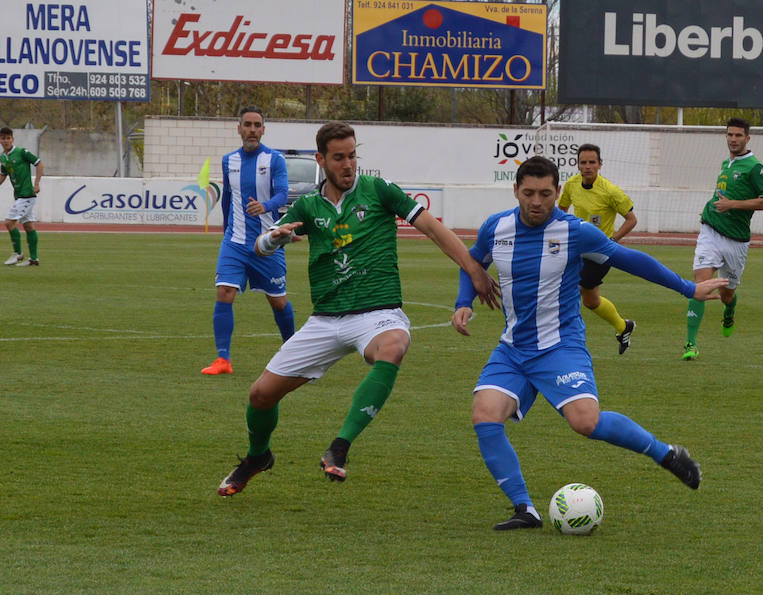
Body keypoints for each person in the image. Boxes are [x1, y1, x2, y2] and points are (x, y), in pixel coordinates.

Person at [217, 121, 499, 496]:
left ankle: (340, 446)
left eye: (352, 156)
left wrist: (474, 269)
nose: (348, 164)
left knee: (395, 344)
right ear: (321, 160)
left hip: (376, 313)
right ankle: (257, 457)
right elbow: (261, 248)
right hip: (325, 319)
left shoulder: (378, 191)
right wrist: (273, 238)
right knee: (260, 395)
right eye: (338, 158)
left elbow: (433, 228)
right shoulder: (307, 204)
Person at [451, 156, 727, 530]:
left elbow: (630, 259)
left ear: (557, 192)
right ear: (515, 190)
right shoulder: (495, 227)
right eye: (528, 193)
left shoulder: (575, 231)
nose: (537, 201)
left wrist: (689, 288)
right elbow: (472, 263)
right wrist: (463, 302)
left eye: (546, 194)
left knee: (585, 422)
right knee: (485, 415)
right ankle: (525, 509)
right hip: (513, 348)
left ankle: (666, 454)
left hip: (560, 346)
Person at [201, 106, 294, 375]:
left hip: (268, 242)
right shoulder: (228, 160)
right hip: (235, 242)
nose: (252, 129)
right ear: (239, 128)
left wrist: (264, 207)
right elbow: (227, 199)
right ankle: (223, 360)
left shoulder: (274, 159)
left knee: (277, 302)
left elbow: (283, 194)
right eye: (247, 124)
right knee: (224, 292)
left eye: (257, 125)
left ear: (263, 129)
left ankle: (295, 355)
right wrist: (225, 232)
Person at [682, 117, 763, 361]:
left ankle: (729, 309)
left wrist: (733, 205)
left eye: (738, 135)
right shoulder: (726, 163)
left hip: (736, 241)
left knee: (727, 294)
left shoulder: (754, 167)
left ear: (747, 138)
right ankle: (690, 344)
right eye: (730, 135)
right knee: (699, 287)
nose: (733, 139)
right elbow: (721, 195)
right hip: (710, 232)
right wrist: (710, 208)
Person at [559, 143, 637, 354]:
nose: (587, 166)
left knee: (571, 286)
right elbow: (562, 209)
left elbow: (631, 220)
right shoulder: (571, 185)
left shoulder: (610, 191)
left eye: (592, 162)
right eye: (583, 162)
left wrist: (613, 239)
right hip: (576, 247)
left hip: (601, 252)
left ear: (600, 164)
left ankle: (564, 341)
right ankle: (623, 326)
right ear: (577, 165)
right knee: (591, 301)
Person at [0, 127, 43, 267]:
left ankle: (17, 253)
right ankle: (34, 259)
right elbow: (3, 175)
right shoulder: (3, 157)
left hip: (27, 195)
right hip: (19, 196)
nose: (5, 141)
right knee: (28, 226)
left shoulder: (21, 152)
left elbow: (39, 163)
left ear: (12, 139)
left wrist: (36, 183)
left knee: (9, 223)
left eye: (8, 138)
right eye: (3, 138)